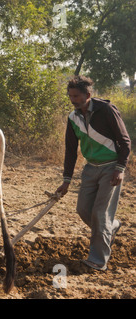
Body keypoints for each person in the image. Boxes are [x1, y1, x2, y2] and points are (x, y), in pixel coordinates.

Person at [56, 75, 131, 271]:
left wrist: (120, 168)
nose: (72, 99)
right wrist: (66, 180)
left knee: (99, 213)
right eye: (70, 95)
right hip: (90, 168)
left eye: (76, 96)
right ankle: (111, 226)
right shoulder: (73, 118)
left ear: (88, 95)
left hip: (111, 168)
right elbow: (70, 150)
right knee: (83, 209)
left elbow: (125, 141)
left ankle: (98, 260)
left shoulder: (105, 110)